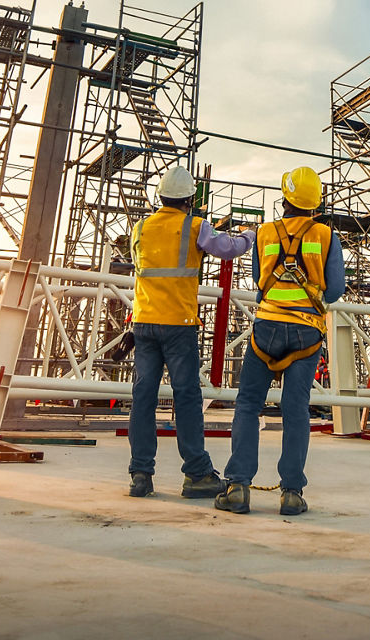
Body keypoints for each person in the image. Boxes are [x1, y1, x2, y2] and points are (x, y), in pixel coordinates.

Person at [216, 165, 345, 517]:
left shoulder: (264, 232)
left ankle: (238, 487)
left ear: (285, 198)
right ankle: (291, 493)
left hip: (267, 329)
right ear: (315, 204)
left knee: (247, 405)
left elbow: (260, 279)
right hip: (305, 332)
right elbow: (334, 291)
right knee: (295, 409)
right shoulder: (326, 236)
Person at [127, 165, 256, 499]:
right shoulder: (194, 225)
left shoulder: (140, 227)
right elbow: (228, 248)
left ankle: (140, 474)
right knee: (186, 396)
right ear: (190, 200)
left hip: (142, 323)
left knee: (143, 397)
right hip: (178, 325)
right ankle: (197, 473)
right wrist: (251, 235)